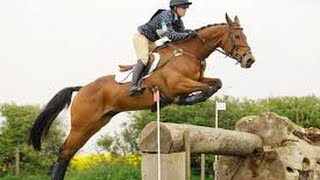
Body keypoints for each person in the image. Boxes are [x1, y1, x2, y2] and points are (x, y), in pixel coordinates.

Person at [129, 0, 197, 96]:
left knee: (162, 57)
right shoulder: (165, 16)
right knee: (144, 58)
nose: (186, 10)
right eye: (184, 7)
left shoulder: (178, 20)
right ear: (175, 8)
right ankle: (133, 86)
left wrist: (191, 32)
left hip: (152, 41)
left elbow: (181, 33)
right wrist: (186, 35)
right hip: (142, 38)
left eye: (186, 8)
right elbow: (170, 35)